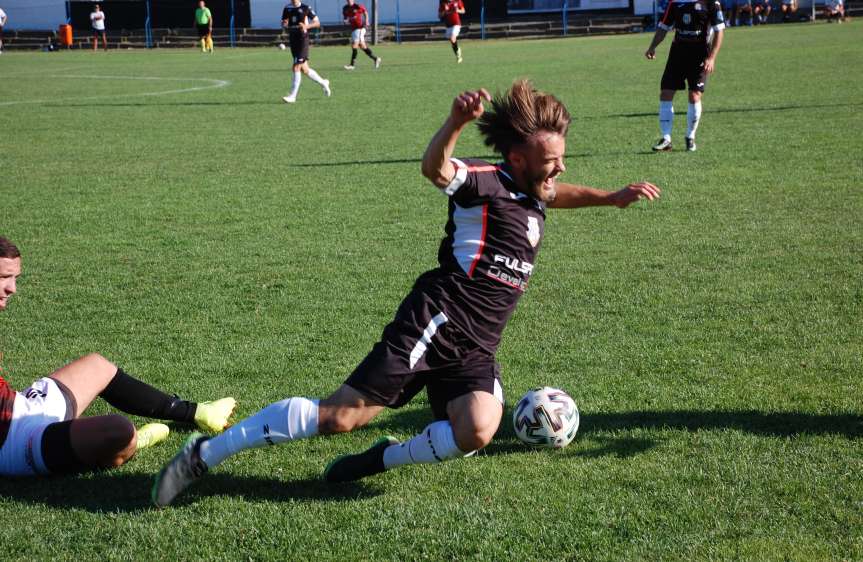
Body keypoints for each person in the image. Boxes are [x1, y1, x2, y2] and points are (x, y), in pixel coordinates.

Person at [151, 80, 660, 507]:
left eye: (561, 158)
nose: (560, 170)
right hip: (434, 323)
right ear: (516, 157)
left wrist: (611, 198)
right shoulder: (485, 183)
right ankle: (204, 455)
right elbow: (436, 169)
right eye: (550, 160)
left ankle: (382, 458)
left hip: (476, 344)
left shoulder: (536, 188)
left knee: (479, 429)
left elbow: (557, 193)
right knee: (339, 417)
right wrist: (455, 122)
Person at [0, 236, 236, 477]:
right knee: (118, 430)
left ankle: (198, 412)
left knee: (97, 366)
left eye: (14, 278)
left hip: (21, 408)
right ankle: (132, 443)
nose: (12, 288)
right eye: (3, 278)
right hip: (11, 445)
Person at [645, 0, 725, 152]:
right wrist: (652, 47)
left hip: (700, 54)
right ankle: (666, 139)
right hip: (678, 53)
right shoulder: (675, 2)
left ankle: (690, 136)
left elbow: (719, 30)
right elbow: (663, 27)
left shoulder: (711, 3)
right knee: (666, 93)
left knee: (694, 95)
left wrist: (712, 57)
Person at [281, 0, 331, 104]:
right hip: (293, 40)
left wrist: (306, 26)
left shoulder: (305, 8)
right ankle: (323, 82)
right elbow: (284, 22)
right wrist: (284, 24)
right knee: (305, 69)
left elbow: (317, 22)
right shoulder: (287, 8)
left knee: (296, 67)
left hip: (302, 40)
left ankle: (293, 96)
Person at [342, 0, 381, 70]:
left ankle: (352, 65)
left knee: (354, 45)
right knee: (362, 46)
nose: (349, 1)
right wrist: (345, 21)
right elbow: (345, 18)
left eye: (350, 0)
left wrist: (366, 21)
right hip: (354, 29)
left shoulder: (358, 6)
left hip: (360, 28)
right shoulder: (345, 8)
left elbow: (365, 12)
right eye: (347, 0)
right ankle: (376, 59)